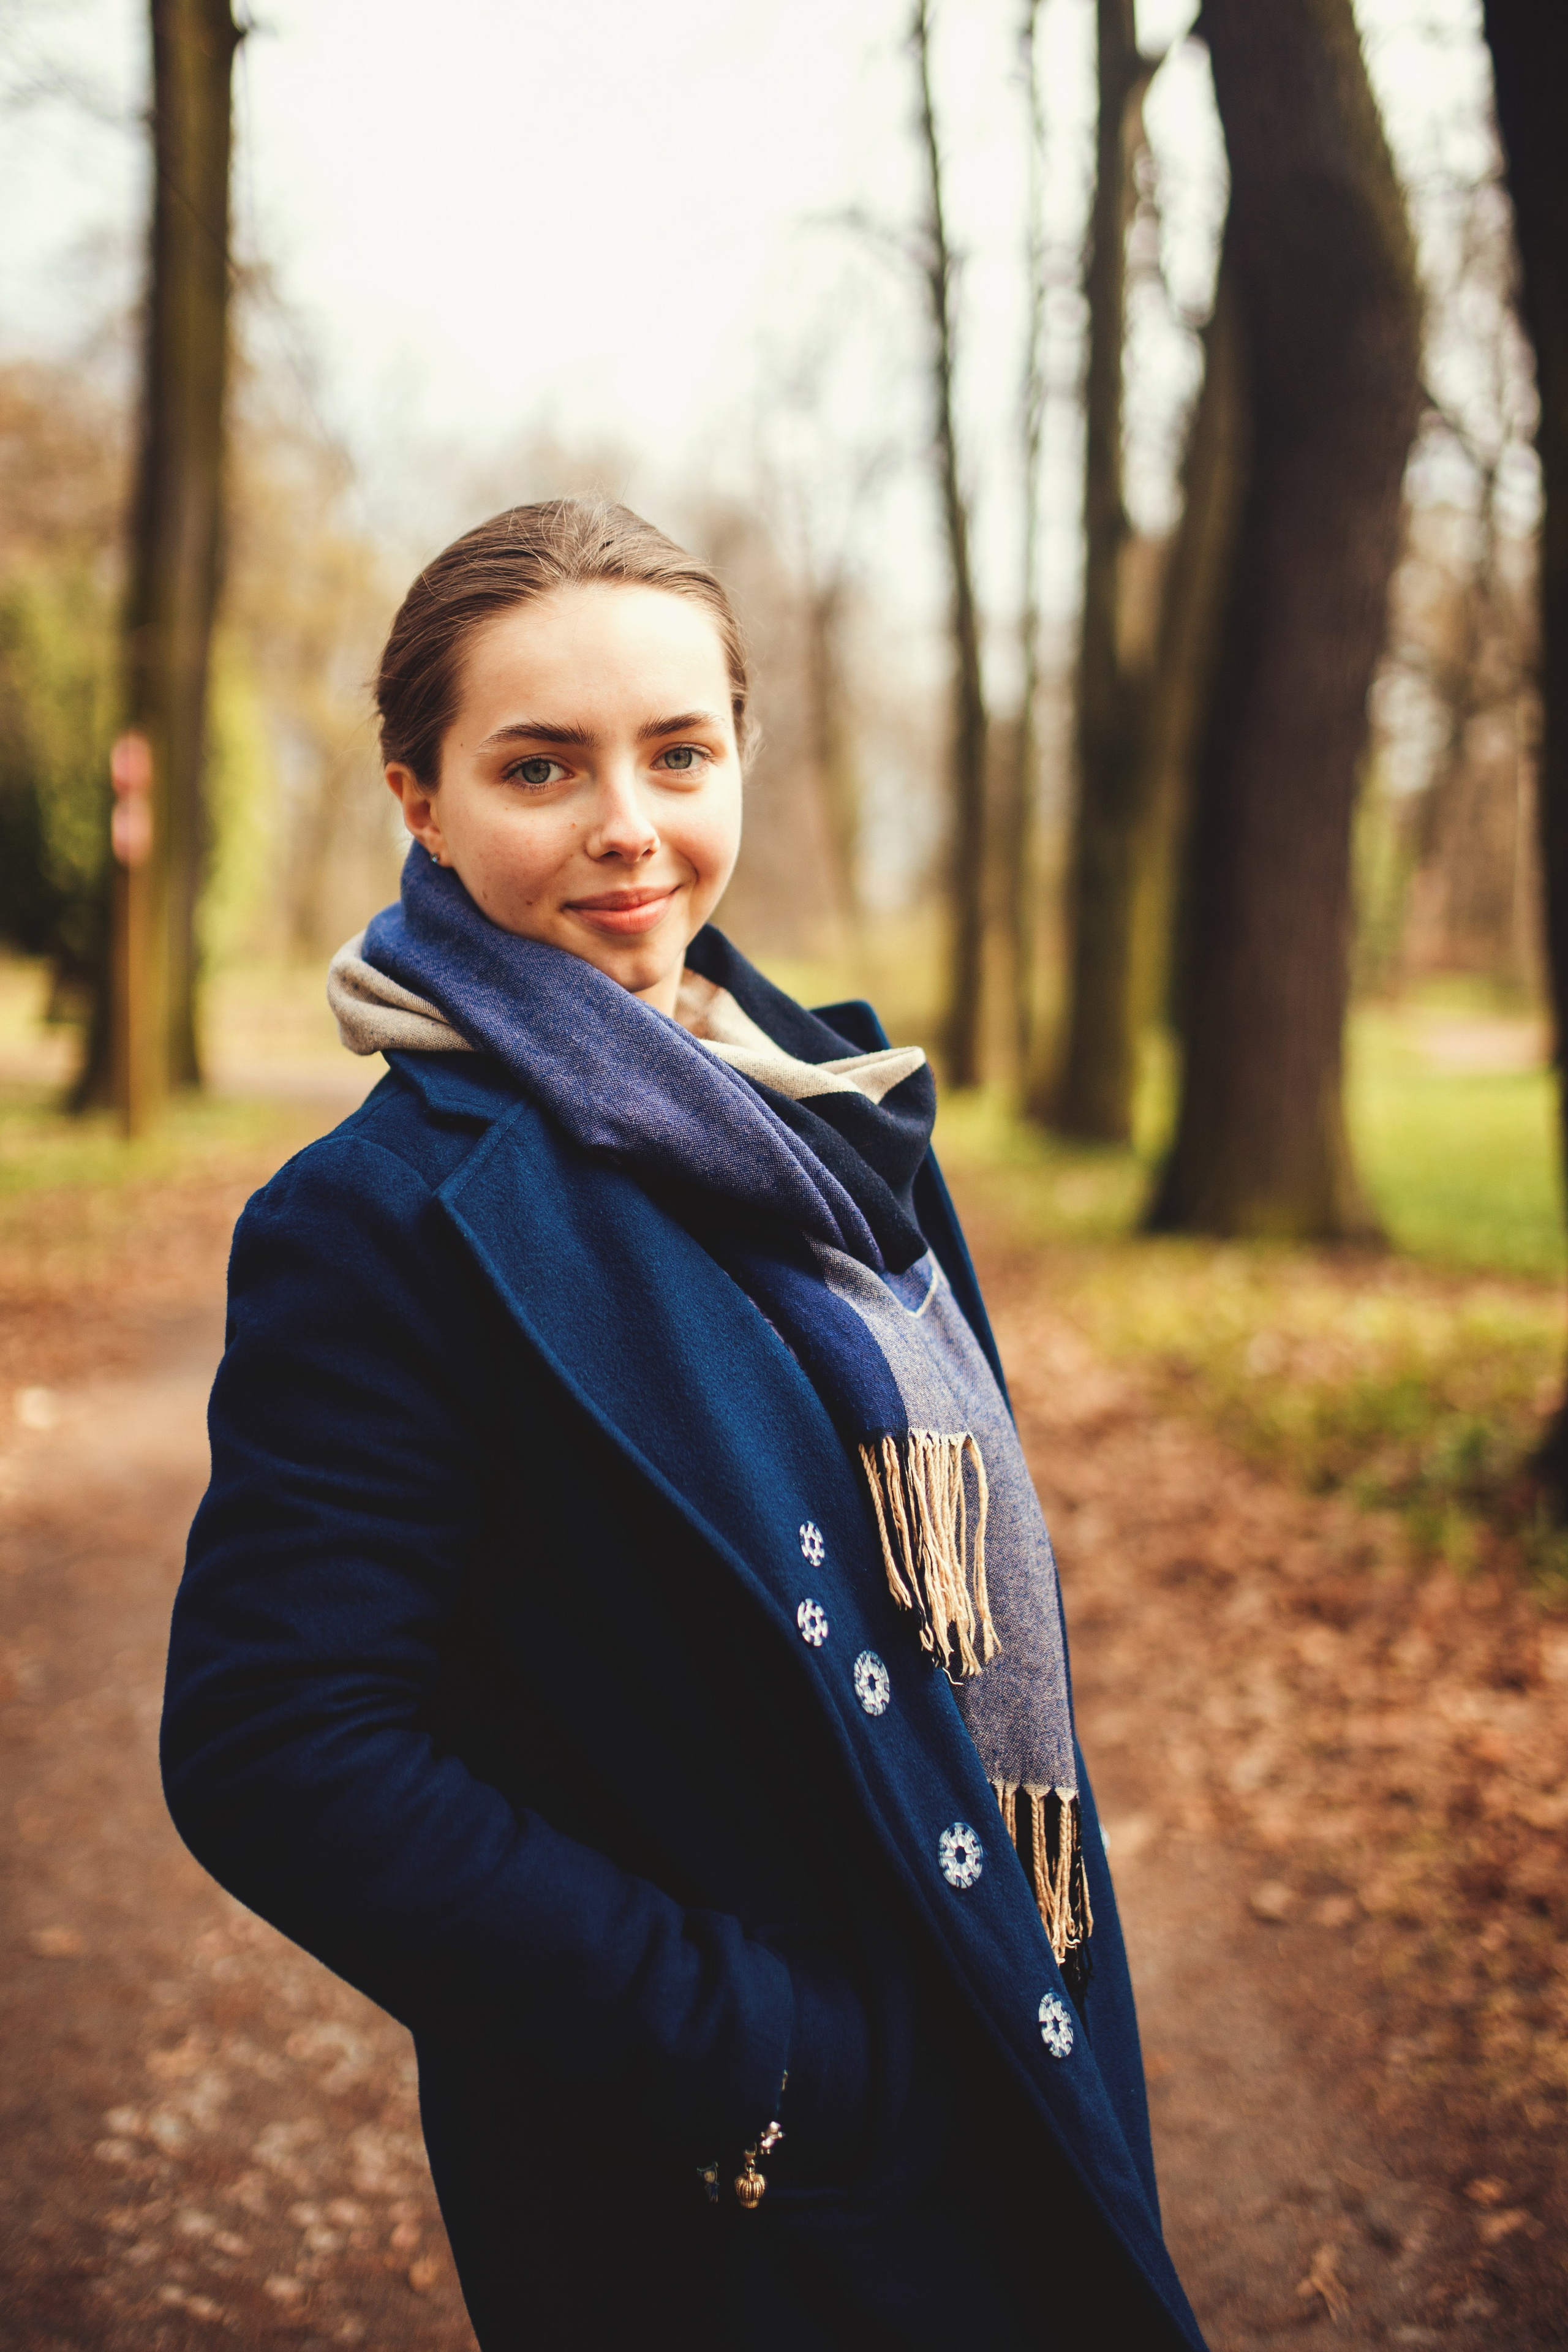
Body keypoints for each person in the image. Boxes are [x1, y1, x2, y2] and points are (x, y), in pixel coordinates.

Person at [161, 499, 1207, 2351]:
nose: (626, 826)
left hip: (1007, 2000)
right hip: (732, 2191)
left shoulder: (836, 1118)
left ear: (737, 756)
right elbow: (277, 1747)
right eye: (541, 766)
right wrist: (767, 2052)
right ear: (420, 799)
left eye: (676, 753)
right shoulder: (384, 1222)